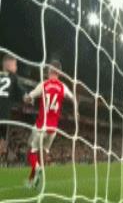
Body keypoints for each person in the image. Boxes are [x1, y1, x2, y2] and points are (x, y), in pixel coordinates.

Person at [24, 60, 76, 188]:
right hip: (53, 130)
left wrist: (27, 98)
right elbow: (73, 98)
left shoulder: (44, 84)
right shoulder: (63, 87)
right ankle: (32, 181)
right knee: (42, 154)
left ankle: (36, 170)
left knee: (31, 151)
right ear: (60, 73)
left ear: (50, 71)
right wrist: (76, 111)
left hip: (41, 126)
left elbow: (29, 97)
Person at [0, 54, 25, 156]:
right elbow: (21, 92)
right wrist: (27, 97)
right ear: (9, 65)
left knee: (2, 144)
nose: (16, 68)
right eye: (15, 65)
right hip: (3, 116)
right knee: (2, 143)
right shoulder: (13, 77)